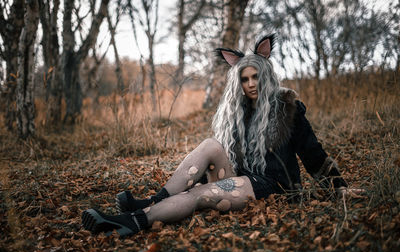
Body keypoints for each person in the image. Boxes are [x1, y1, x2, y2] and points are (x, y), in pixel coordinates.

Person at [82, 34, 358, 237]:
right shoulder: (237, 113)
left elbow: (313, 153)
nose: (251, 84)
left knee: (198, 195)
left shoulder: (287, 109)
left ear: (266, 75)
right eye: (244, 78)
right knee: (210, 144)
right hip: (242, 179)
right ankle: (153, 202)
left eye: (255, 77)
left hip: (274, 188)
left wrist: (339, 187)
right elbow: (220, 158)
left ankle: (131, 221)